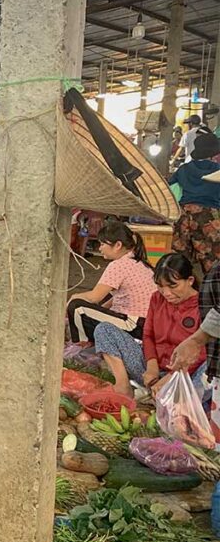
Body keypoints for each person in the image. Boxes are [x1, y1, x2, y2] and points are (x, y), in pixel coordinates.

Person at [94, 253, 206, 396]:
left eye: (173, 286)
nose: (166, 293)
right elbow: (148, 335)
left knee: (210, 367)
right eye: (160, 286)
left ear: (189, 280)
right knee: (104, 329)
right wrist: (151, 366)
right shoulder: (157, 298)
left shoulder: (204, 305)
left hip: (186, 376)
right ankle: (123, 386)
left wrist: (171, 376)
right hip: (152, 371)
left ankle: (181, 402)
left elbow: (202, 353)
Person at [66, 220, 156, 344]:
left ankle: (82, 343)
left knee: (77, 306)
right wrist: (98, 310)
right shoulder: (139, 262)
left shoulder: (119, 265)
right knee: (102, 298)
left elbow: (94, 297)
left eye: (103, 244)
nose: (100, 248)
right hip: (145, 324)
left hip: (133, 325)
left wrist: (74, 297)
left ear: (118, 245)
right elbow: (115, 298)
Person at [171, 132, 220, 276]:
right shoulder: (217, 171)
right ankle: (211, 294)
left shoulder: (183, 169)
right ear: (214, 153)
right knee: (212, 260)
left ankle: (184, 294)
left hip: (184, 215)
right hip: (209, 218)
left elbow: (173, 193)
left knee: (181, 261)